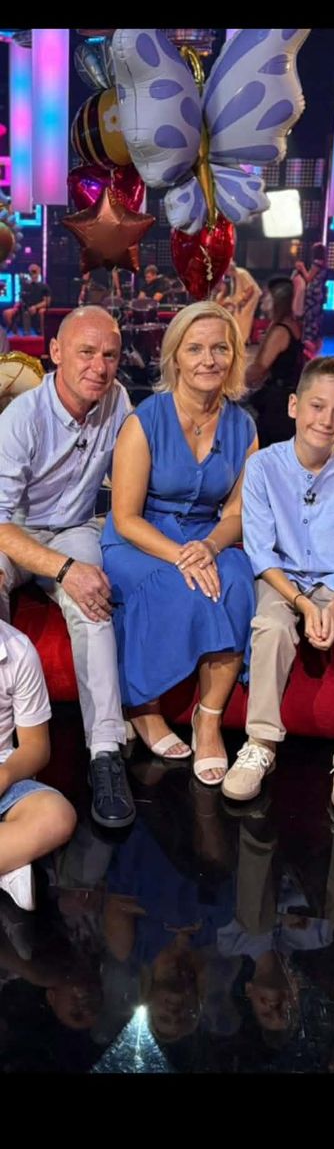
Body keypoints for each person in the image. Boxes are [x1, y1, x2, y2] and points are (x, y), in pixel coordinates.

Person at [223, 356, 334, 813]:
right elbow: (261, 552)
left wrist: (333, 607)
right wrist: (301, 602)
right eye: (317, 407)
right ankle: (261, 742)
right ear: (294, 406)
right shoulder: (262, 466)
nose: (327, 420)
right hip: (282, 580)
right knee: (271, 626)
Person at [101, 301, 257, 777]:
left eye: (219, 349)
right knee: (175, 584)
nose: (208, 360)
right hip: (141, 539)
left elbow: (237, 512)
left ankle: (207, 719)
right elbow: (125, 517)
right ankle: (142, 707)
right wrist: (181, 557)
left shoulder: (244, 426)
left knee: (237, 578)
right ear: (175, 358)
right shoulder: (144, 421)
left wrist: (208, 548)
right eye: (195, 349)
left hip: (206, 536)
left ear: (233, 357)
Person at [0, 306, 135, 830]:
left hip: (76, 526)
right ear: (55, 353)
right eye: (86, 352)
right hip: (15, 530)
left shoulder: (117, 400)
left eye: (110, 355)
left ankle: (105, 752)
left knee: (93, 599)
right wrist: (62, 569)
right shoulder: (21, 418)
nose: (99, 367)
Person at [0, 594, 76, 912]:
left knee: (56, 815)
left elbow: (36, 747)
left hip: (3, 766)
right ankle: (11, 860)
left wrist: (4, 775)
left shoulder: (17, 650)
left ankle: (10, 855)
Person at [244, 276, 304, 447]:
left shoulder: (280, 331)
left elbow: (258, 370)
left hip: (277, 403)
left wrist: (232, 377)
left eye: (267, 295)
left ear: (277, 299)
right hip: (286, 396)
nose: (262, 299)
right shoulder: (290, 323)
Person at [214, 262, 262, 345]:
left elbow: (250, 289)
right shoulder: (233, 275)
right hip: (241, 297)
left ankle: (242, 340)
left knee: (243, 318)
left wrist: (242, 302)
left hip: (250, 297)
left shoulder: (241, 273)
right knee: (237, 317)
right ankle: (239, 339)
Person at [3, 265, 51, 336]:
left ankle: (42, 336)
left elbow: (47, 302)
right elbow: (21, 299)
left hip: (37, 309)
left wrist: (35, 307)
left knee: (42, 312)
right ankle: (17, 336)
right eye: (30, 272)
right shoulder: (25, 286)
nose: (32, 274)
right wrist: (16, 306)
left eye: (34, 272)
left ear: (38, 272)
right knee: (7, 313)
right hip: (24, 308)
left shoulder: (44, 286)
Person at [299, 243, 327, 354]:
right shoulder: (325, 265)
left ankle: (309, 342)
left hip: (313, 295)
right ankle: (315, 343)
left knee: (310, 318)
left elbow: (308, 278)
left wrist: (302, 268)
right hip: (320, 294)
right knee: (316, 318)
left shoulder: (316, 264)